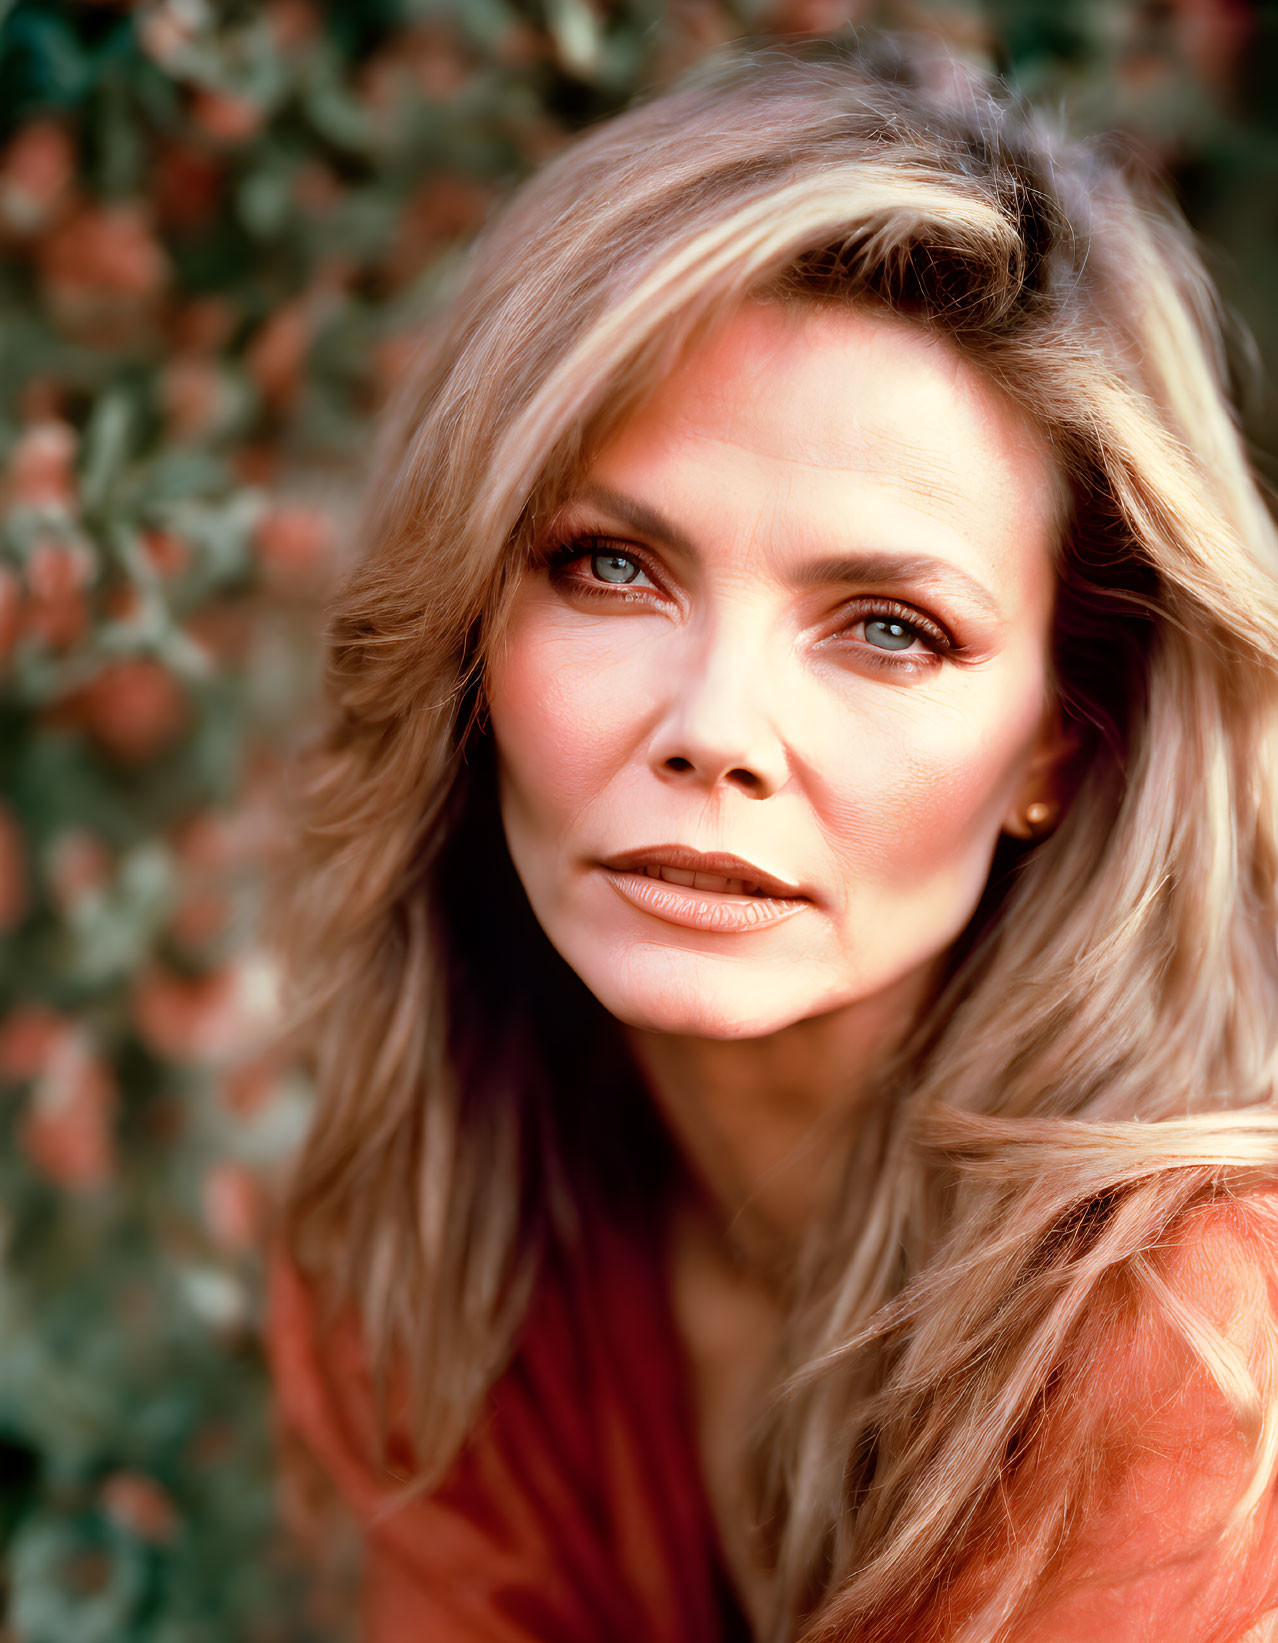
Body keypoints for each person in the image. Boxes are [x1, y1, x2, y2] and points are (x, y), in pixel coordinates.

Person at [265, 29, 1278, 1643]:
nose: (715, 729)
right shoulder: (442, 1235)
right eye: (608, 567)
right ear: (465, 624)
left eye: (888, 628)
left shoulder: (1210, 1331)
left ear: (1064, 746)